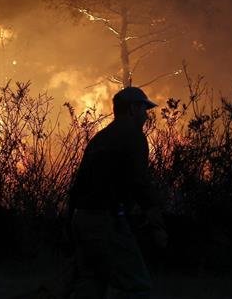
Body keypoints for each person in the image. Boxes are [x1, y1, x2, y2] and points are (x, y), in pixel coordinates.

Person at [67, 86, 167, 299]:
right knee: (137, 285)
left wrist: (71, 220)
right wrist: (156, 219)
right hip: (106, 221)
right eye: (143, 109)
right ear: (132, 109)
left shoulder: (100, 138)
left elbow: (78, 184)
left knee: (91, 282)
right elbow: (140, 181)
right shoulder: (133, 136)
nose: (146, 114)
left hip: (82, 218)